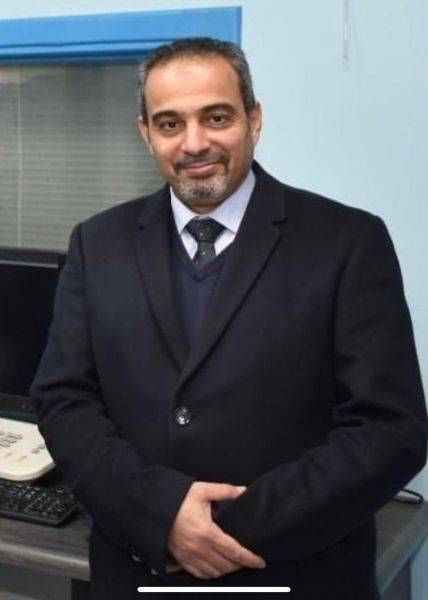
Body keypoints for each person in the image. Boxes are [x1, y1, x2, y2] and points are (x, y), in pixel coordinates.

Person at [31, 37, 427, 600]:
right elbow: (63, 400)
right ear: (146, 133)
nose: (194, 143)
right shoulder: (97, 244)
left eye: (216, 117)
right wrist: (160, 514)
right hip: (138, 570)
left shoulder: (347, 242)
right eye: (170, 124)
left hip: (297, 573)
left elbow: (390, 431)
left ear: (253, 120)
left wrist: (222, 529)